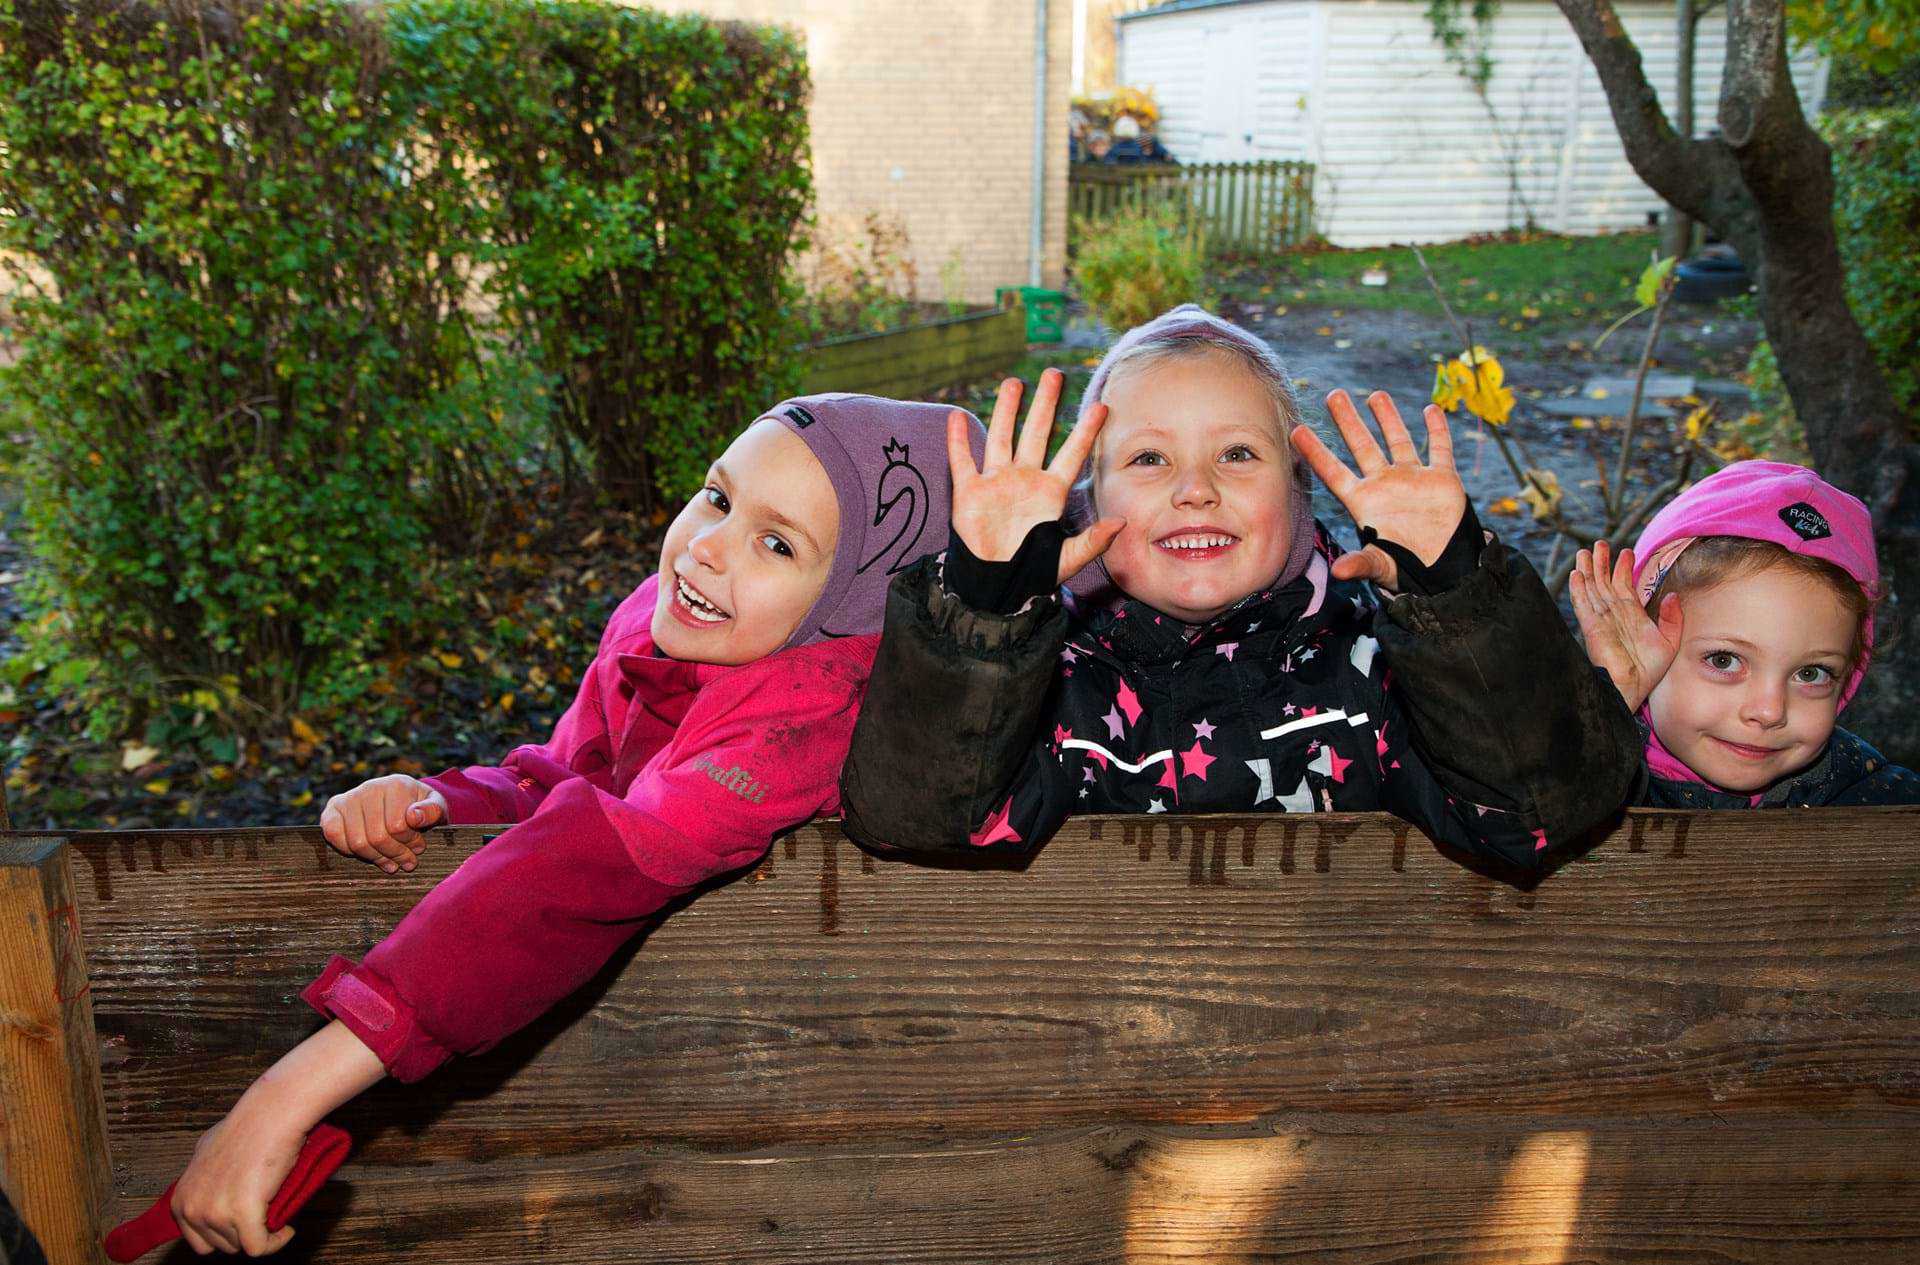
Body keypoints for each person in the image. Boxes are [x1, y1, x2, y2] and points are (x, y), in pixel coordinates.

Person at [164, 394, 984, 1257]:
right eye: (717, 496)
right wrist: (444, 802)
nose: (705, 547)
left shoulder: (804, 715)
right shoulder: (671, 618)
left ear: (848, 603)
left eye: (776, 544)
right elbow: (571, 779)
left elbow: (594, 859)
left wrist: (287, 1094)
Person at [839, 304, 1641, 873]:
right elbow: (919, 819)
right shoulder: (1053, 682)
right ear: (1086, 502)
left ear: (1301, 492)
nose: (1195, 488)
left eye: (1237, 455)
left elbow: (1538, 813)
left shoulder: (1373, 670)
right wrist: (985, 609)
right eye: (1149, 459)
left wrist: (1457, 594)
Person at [1569, 459, 1918, 806]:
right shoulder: (1581, 777)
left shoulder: (1868, 794)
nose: (1769, 712)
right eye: (1724, 660)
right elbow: (1522, 830)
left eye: (1811, 673)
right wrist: (1605, 711)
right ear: (1640, 646)